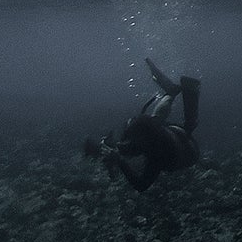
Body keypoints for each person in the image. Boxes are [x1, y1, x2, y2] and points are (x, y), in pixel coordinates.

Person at [85, 58, 201, 192]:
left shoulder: (158, 154)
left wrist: (120, 161)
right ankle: (171, 93)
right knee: (154, 121)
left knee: (187, 128)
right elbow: (130, 143)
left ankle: (173, 95)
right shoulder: (148, 131)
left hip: (187, 151)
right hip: (163, 131)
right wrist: (110, 150)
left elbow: (141, 185)